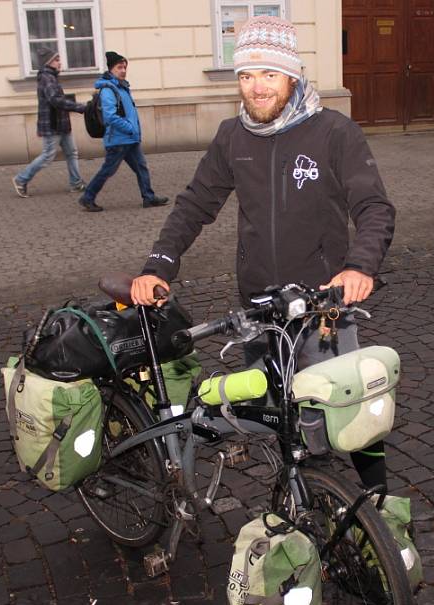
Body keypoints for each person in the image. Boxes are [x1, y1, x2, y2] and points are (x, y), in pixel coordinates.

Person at [130, 16, 395, 491]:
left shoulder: (334, 132)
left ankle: (380, 504)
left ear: (291, 75)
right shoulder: (233, 136)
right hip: (259, 308)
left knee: (349, 412)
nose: (256, 88)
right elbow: (194, 205)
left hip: (321, 306)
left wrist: (359, 266)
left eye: (269, 74)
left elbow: (374, 206)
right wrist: (157, 266)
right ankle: (304, 502)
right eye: (247, 76)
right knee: (281, 414)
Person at [78, 51, 168, 212]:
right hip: (118, 140)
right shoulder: (108, 90)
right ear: (111, 69)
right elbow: (109, 117)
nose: (123, 70)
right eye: (120, 67)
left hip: (129, 139)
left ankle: (148, 197)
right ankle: (87, 197)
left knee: (141, 167)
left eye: (125, 67)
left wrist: (133, 131)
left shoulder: (122, 87)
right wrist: (130, 128)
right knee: (107, 171)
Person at [12, 47, 87, 197]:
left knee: (71, 153)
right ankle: (21, 179)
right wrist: (79, 107)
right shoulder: (47, 77)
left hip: (62, 123)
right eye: (57, 60)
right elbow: (55, 100)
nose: (60, 63)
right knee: (47, 156)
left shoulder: (51, 76)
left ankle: (76, 183)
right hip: (53, 125)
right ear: (48, 62)